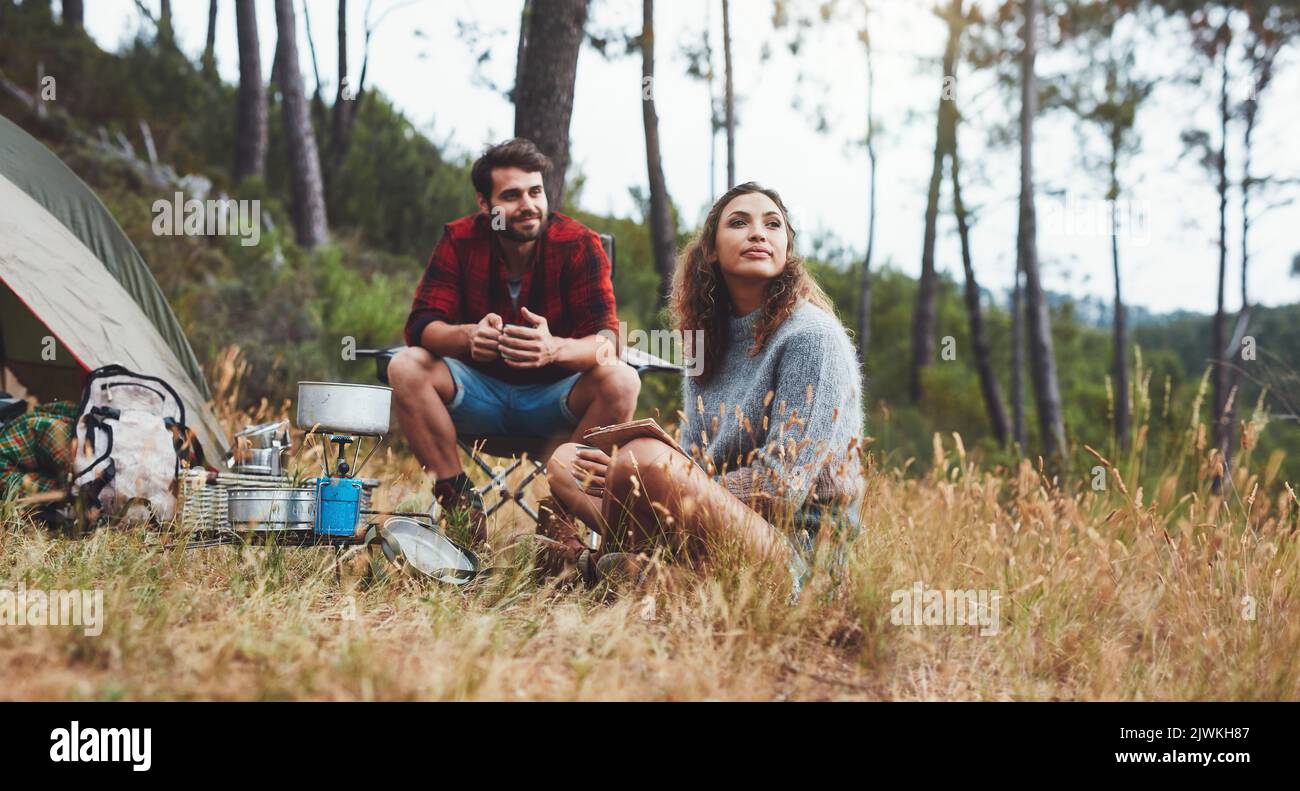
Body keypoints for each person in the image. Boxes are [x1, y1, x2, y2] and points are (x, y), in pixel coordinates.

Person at [544, 182, 865, 595]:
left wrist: (650, 479)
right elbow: (695, 459)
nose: (758, 233)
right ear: (710, 250)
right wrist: (645, 479)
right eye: (739, 222)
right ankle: (647, 574)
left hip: (795, 552)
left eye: (773, 225)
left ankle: (614, 571)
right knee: (567, 462)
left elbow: (780, 490)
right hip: (714, 524)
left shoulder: (810, 336)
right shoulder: (703, 341)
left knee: (641, 462)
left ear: (787, 251)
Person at [387, 138, 640, 543]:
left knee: (623, 379)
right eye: (511, 195)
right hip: (476, 399)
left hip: (555, 405)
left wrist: (554, 347)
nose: (528, 205)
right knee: (404, 365)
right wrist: (466, 337)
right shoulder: (459, 239)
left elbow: (608, 341)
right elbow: (420, 326)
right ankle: (459, 504)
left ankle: (560, 513)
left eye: (535, 192)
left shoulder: (578, 244)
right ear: (485, 205)